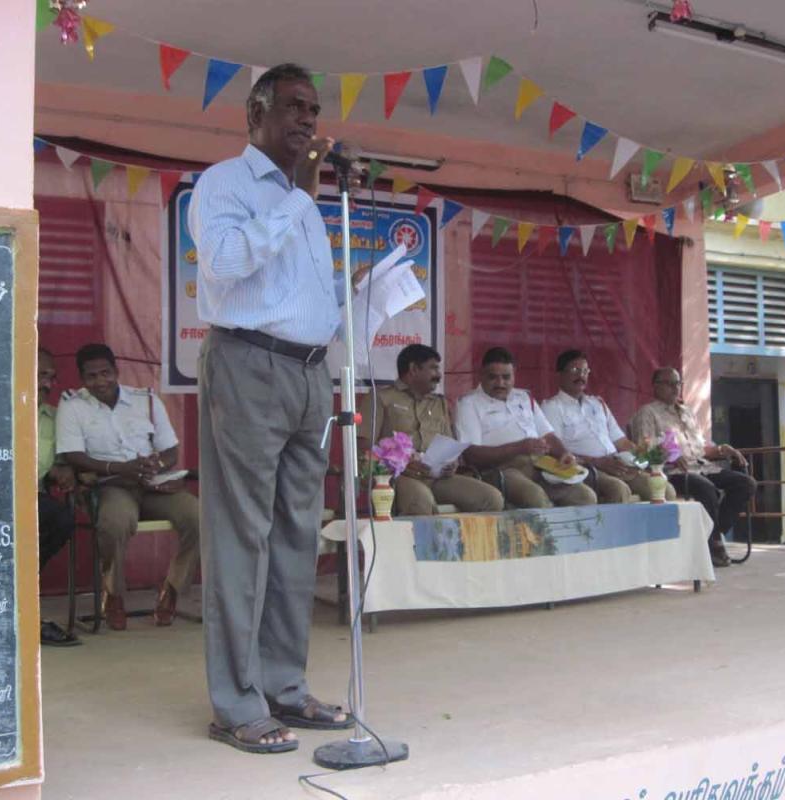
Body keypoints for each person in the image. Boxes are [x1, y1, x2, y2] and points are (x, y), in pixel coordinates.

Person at [189, 62, 352, 754]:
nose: (307, 121)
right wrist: (296, 198)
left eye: (313, 109)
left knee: (295, 537)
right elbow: (225, 264)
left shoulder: (308, 203)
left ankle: (284, 686)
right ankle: (235, 702)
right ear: (256, 114)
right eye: (293, 107)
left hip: (311, 377)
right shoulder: (225, 183)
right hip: (248, 367)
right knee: (242, 536)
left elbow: (305, 301)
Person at [55, 343, 200, 633]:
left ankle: (171, 590)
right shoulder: (72, 406)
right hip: (111, 486)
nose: (100, 381)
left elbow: (170, 449)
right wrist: (119, 468)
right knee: (115, 523)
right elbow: (73, 455)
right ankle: (114, 594)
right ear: (82, 378)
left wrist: (155, 465)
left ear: (116, 371)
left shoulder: (144, 400)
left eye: (106, 373)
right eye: (92, 376)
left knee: (199, 518)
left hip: (151, 485)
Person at [629, 367, 755, 567]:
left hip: (702, 466)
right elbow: (643, 451)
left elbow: (700, 449)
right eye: (669, 383)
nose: (675, 388)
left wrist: (723, 449)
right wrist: (668, 456)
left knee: (746, 483)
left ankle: (713, 533)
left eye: (678, 383)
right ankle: (713, 541)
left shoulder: (687, 411)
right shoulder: (647, 413)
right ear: (656, 386)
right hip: (672, 472)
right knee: (706, 488)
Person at [358, 344, 503, 515]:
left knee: (491, 498)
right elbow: (364, 446)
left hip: (437, 477)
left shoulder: (439, 403)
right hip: (397, 477)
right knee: (421, 500)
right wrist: (402, 464)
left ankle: (466, 542)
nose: (439, 375)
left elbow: (450, 445)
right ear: (413, 369)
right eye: (433, 368)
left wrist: (451, 464)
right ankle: (423, 543)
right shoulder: (381, 398)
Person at [454, 347, 596, 509]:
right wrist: (520, 447)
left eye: (506, 377)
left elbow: (548, 436)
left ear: (514, 374)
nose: (500, 383)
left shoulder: (523, 397)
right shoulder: (468, 403)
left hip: (541, 464)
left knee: (585, 496)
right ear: (481, 375)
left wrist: (563, 453)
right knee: (535, 497)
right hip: (501, 470)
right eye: (493, 377)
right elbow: (472, 455)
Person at [541, 349, 676, 504]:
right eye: (575, 370)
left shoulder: (597, 404)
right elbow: (556, 453)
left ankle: (652, 529)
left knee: (664, 489)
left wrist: (644, 459)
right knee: (618, 490)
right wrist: (597, 462)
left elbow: (622, 442)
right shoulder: (552, 407)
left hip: (618, 463)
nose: (581, 376)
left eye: (585, 371)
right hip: (588, 468)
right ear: (560, 374)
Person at [37, 348, 80, 647]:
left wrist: (62, 468)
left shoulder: (54, 418)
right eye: (41, 375)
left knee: (60, 517)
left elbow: (62, 459)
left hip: (33, 498)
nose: (47, 385)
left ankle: (22, 599)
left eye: (51, 378)